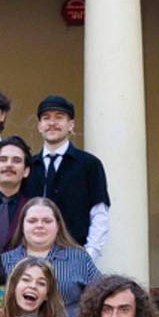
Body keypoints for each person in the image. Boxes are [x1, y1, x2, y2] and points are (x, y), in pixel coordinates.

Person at [22, 94, 109, 264]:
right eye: (46, 118)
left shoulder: (89, 164)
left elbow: (100, 213)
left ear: (71, 125)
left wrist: (89, 254)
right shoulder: (29, 166)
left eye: (59, 117)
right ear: (39, 126)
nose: (52, 123)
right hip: (32, 258)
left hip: (75, 255)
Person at [0, 198, 99, 317]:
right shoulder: (4, 261)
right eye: (32, 221)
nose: (39, 225)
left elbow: (100, 295)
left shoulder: (78, 258)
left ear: (58, 226)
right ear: (22, 225)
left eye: (47, 221)